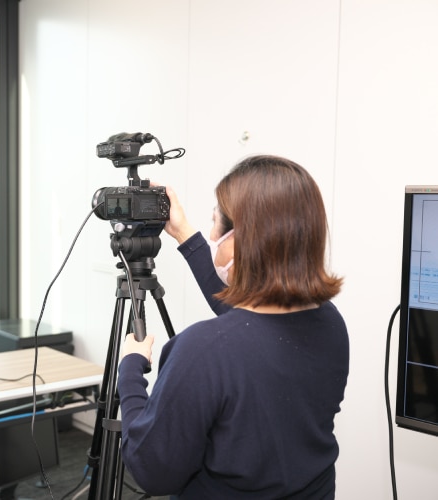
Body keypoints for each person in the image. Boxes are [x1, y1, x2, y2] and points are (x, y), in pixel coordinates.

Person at [118, 155, 349, 499]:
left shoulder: (203, 349)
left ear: (244, 240)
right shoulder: (330, 323)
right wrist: (183, 233)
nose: (211, 236)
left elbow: (152, 470)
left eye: (215, 223)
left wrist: (130, 368)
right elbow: (247, 322)